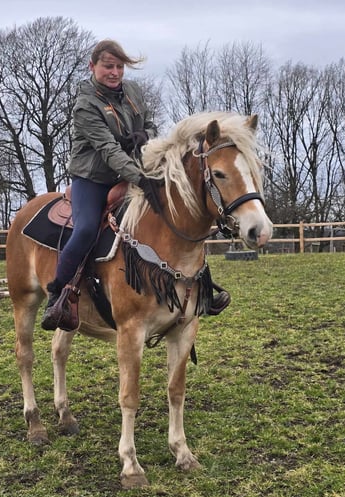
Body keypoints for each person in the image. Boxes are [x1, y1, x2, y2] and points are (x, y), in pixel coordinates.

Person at [41, 39, 229, 330]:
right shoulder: (85, 106)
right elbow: (107, 150)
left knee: (172, 214)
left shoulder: (133, 92)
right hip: (92, 179)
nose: (114, 72)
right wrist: (139, 177)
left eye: (119, 67)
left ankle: (201, 285)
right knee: (87, 228)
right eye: (108, 66)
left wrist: (144, 136)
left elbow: (150, 123)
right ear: (92, 67)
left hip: (131, 171)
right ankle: (58, 291)